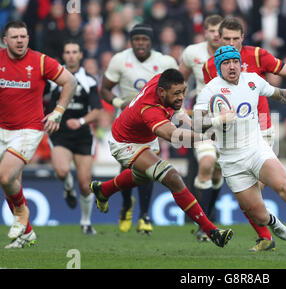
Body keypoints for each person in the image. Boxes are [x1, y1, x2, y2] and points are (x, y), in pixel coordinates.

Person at [195, 45, 286, 256]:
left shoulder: (252, 80)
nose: (232, 66)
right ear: (218, 67)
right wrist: (219, 119)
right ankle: (272, 221)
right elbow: (197, 124)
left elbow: (280, 94)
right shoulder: (210, 90)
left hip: (257, 149)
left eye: (234, 61)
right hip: (232, 162)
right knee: (259, 216)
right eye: (226, 63)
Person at [89, 68, 234, 248]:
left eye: (183, 91)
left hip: (146, 139)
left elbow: (181, 116)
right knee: (173, 178)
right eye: (176, 94)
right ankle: (210, 230)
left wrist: (201, 123)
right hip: (125, 143)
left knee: (140, 177)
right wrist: (207, 136)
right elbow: (172, 135)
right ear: (162, 92)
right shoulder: (150, 109)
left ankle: (103, 190)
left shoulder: (162, 81)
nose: (181, 97)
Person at [0, 20, 77, 248]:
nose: (20, 40)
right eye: (15, 37)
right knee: (11, 181)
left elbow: (70, 81)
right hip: (2, 127)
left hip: (29, 129)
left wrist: (58, 112)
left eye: (23, 36)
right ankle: (28, 233)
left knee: (5, 176)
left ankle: (21, 213)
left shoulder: (41, 61)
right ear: (6, 41)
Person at [100, 23, 178, 235]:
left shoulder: (164, 61)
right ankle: (126, 205)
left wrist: (169, 115)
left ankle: (144, 216)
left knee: (150, 168)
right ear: (131, 42)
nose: (140, 43)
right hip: (126, 124)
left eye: (144, 40)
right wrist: (118, 102)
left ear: (151, 41)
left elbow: (176, 91)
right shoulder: (120, 60)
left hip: (151, 122)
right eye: (136, 40)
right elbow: (104, 88)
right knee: (127, 169)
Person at [47, 40, 102, 235]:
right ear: (63, 55)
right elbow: (38, 98)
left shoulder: (90, 80)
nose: (71, 55)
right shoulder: (52, 79)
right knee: (62, 172)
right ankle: (68, 188)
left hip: (82, 135)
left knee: (85, 184)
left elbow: (97, 111)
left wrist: (80, 122)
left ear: (80, 55)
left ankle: (86, 222)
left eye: (74, 52)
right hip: (59, 132)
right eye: (67, 52)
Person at [179, 15, 224, 242]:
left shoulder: (233, 54)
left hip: (228, 119)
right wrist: (177, 110)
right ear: (204, 32)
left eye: (219, 31)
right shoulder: (192, 53)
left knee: (218, 172)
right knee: (205, 163)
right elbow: (180, 82)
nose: (215, 35)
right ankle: (203, 224)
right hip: (202, 115)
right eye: (211, 31)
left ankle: (209, 214)